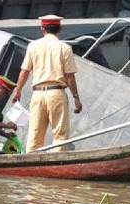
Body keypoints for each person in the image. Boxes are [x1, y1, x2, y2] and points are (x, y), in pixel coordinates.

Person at [12, 14, 82, 153]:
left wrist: (17, 90)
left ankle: (31, 165)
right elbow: (69, 77)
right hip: (56, 93)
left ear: (42, 28)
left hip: (37, 95)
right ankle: (57, 166)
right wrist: (76, 97)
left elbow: (24, 72)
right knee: (60, 136)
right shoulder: (65, 48)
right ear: (60, 28)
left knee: (35, 135)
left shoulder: (33, 46)